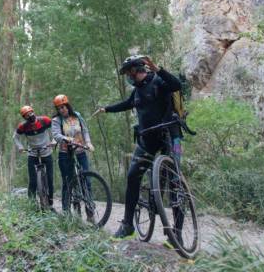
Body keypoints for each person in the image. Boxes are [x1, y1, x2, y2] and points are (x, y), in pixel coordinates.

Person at [94, 55, 188, 239]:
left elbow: (176, 85)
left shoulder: (159, 81)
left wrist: (156, 67)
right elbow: (127, 104)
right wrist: (106, 109)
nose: (128, 77)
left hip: (171, 136)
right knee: (132, 176)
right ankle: (128, 225)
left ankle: (175, 234)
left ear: (137, 69)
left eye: (129, 72)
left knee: (175, 182)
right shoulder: (137, 91)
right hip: (147, 139)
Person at [50, 94, 95, 214]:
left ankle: (90, 211)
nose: (62, 110)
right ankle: (66, 212)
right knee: (67, 182)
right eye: (59, 108)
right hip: (66, 154)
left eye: (63, 107)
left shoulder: (77, 116)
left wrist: (89, 143)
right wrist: (67, 138)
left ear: (67, 106)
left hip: (80, 151)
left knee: (87, 180)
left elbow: (84, 130)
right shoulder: (56, 120)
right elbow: (56, 135)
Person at [13, 105, 55, 208]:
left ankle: (50, 200)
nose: (30, 116)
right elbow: (15, 137)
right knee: (33, 180)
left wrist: (54, 140)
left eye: (30, 113)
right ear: (24, 117)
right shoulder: (23, 126)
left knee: (50, 178)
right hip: (32, 153)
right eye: (26, 115)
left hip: (46, 151)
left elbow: (56, 128)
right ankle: (31, 203)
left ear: (33, 111)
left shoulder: (44, 120)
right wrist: (20, 147)